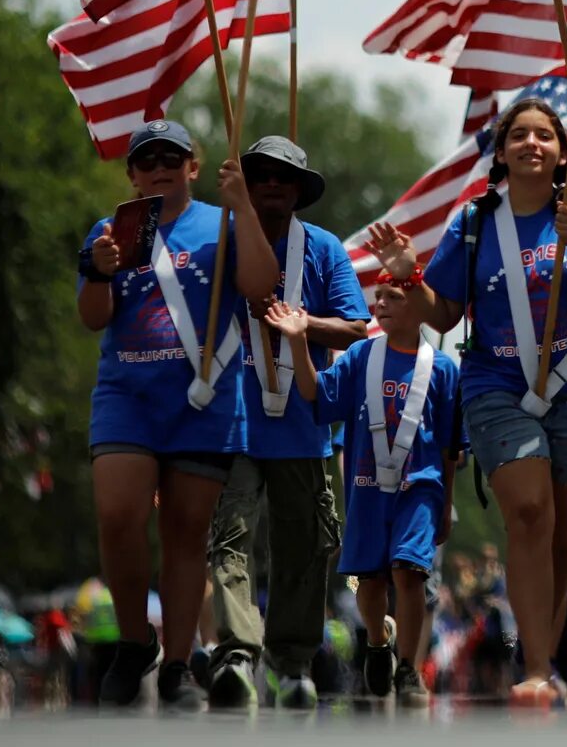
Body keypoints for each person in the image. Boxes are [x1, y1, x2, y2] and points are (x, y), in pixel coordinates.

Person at [364, 96, 567, 707]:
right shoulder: (474, 222)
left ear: (563, 153)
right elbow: (444, 311)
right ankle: (536, 668)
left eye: (545, 135)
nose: (532, 144)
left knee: (566, 536)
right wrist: (409, 275)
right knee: (529, 512)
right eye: (520, 135)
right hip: (496, 387)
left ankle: (544, 646)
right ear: (502, 150)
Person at [77, 118, 278, 710]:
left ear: (194, 165)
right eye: (146, 160)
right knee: (118, 514)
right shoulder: (110, 230)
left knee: (186, 535)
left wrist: (243, 206)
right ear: (132, 174)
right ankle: (135, 641)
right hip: (127, 398)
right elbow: (92, 316)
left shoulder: (222, 224)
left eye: (172, 156)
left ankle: (180, 664)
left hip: (204, 397)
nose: (159, 166)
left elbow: (262, 289)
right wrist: (98, 270)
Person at [207, 135, 371, 710]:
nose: (273, 184)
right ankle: (236, 653)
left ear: (300, 191)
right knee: (230, 537)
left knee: (304, 546)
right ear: (245, 188)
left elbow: (356, 328)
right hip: (234, 423)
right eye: (261, 176)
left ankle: (292, 660)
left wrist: (302, 325)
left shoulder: (322, 250)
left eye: (284, 177)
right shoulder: (222, 245)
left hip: (302, 425)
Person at [266, 269, 459, 710]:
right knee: (369, 582)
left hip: (420, 489)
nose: (380, 305)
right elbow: (314, 394)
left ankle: (409, 667)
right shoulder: (358, 358)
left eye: (392, 296)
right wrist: (298, 340)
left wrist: (446, 502)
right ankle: (378, 640)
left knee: (410, 572)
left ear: (418, 303)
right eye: (378, 297)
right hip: (368, 488)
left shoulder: (444, 370)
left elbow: (450, 445)